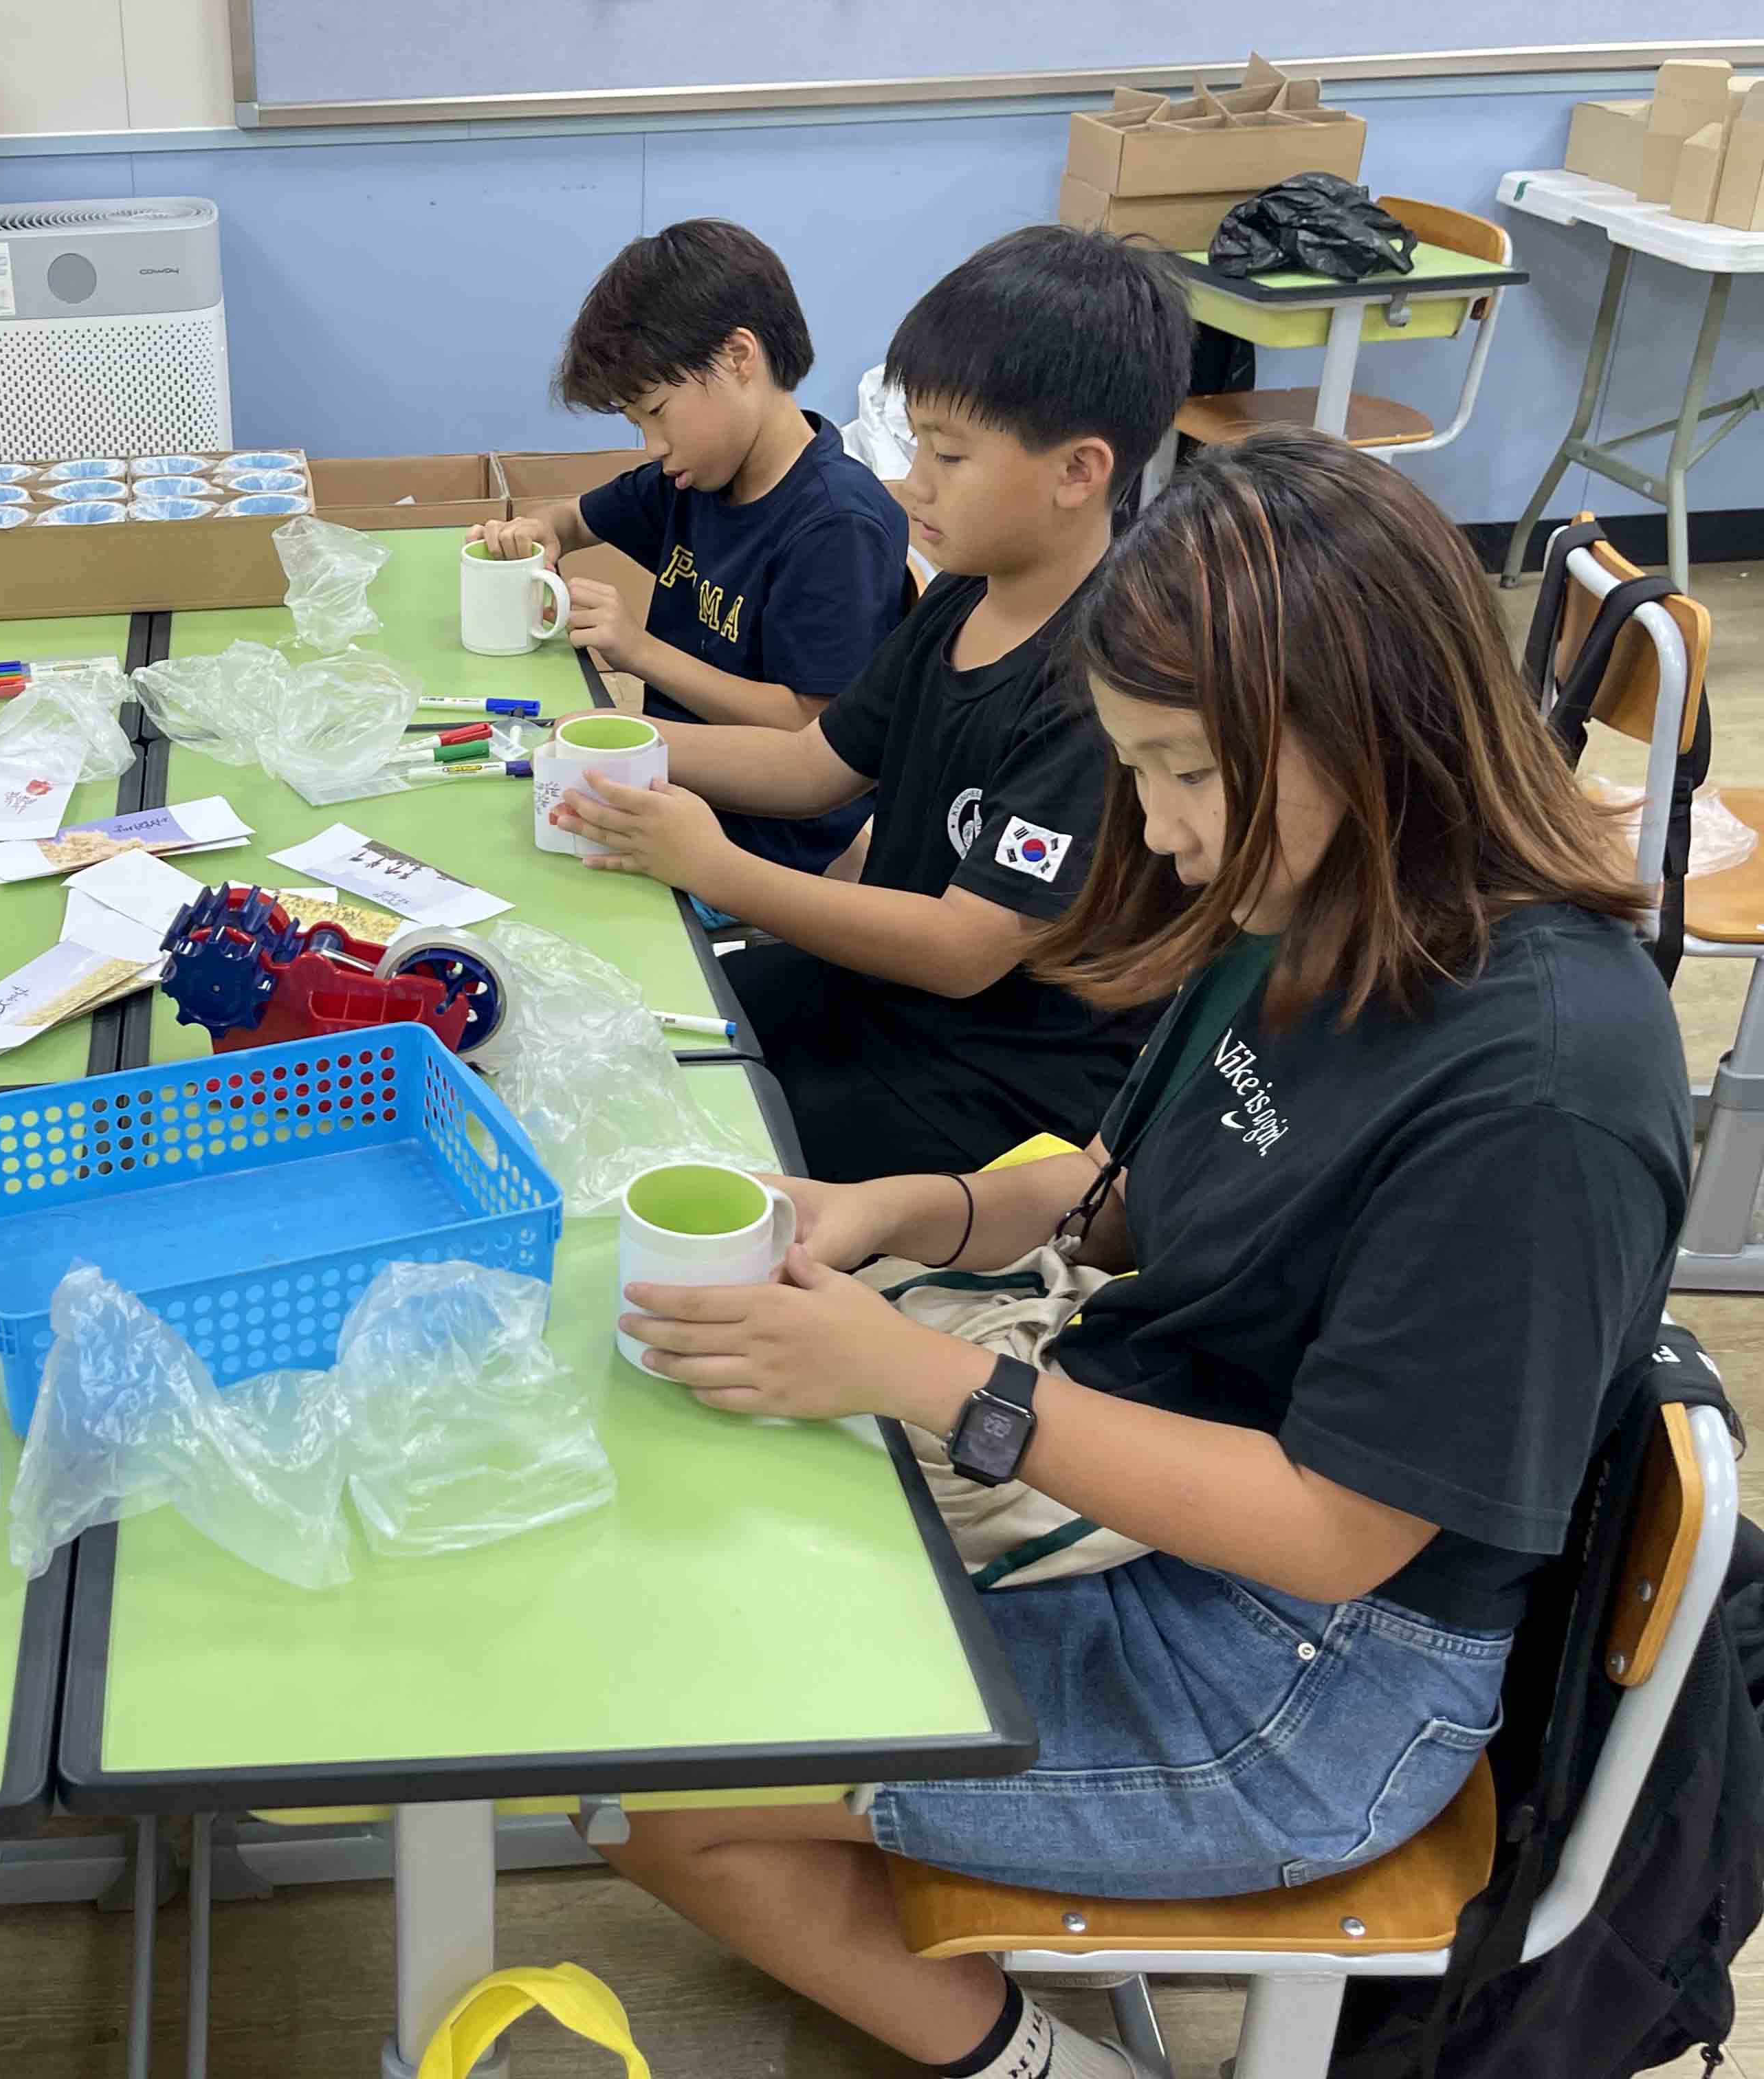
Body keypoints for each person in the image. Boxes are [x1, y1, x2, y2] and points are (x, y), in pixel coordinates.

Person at [608, 431, 1688, 2079]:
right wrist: (899, 1212)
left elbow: (1335, 1535)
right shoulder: (1312, 894)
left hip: (1307, 1684)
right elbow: (1115, 1187)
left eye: (1187, 770)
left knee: (654, 1787)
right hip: (1149, 1481)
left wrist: (924, 1373)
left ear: (1369, 720)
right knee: (697, 1562)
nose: (1162, 827)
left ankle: (1055, 2069)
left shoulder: (1540, 1090)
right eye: (1135, 769)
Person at [555, 226, 1191, 1182]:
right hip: (880, 995)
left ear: (1077, 471)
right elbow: (816, 765)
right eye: (917, 445)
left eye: (949, 456)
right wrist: (612, 745)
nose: (912, 483)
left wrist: (716, 868)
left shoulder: (1102, 681)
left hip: (995, 1083)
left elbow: (965, 950)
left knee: (683, 1150)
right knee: (617, 1029)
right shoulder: (965, 594)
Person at [478, 217, 905, 882]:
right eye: (636, 424)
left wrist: (641, 652)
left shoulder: (836, 526)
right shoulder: (696, 477)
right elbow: (567, 518)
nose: (652, 446)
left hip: (760, 855)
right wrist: (535, 535)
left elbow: (812, 731)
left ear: (739, 358)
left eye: (658, 412)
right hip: (674, 800)